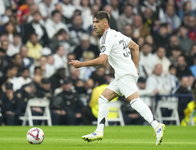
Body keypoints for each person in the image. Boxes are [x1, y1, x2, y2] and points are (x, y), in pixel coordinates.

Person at [69, 11, 165, 145]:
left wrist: (81, 64)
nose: (94, 25)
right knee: (103, 98)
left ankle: (156, 125)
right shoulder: (117, 34)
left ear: (105, 22)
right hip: (123, 74)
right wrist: (135, 67)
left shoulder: (107, 37)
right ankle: (99, 131)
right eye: (93, 22)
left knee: (134, 101)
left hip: (124, 74)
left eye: (97, 22)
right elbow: (135, 47)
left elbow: (102, 60)